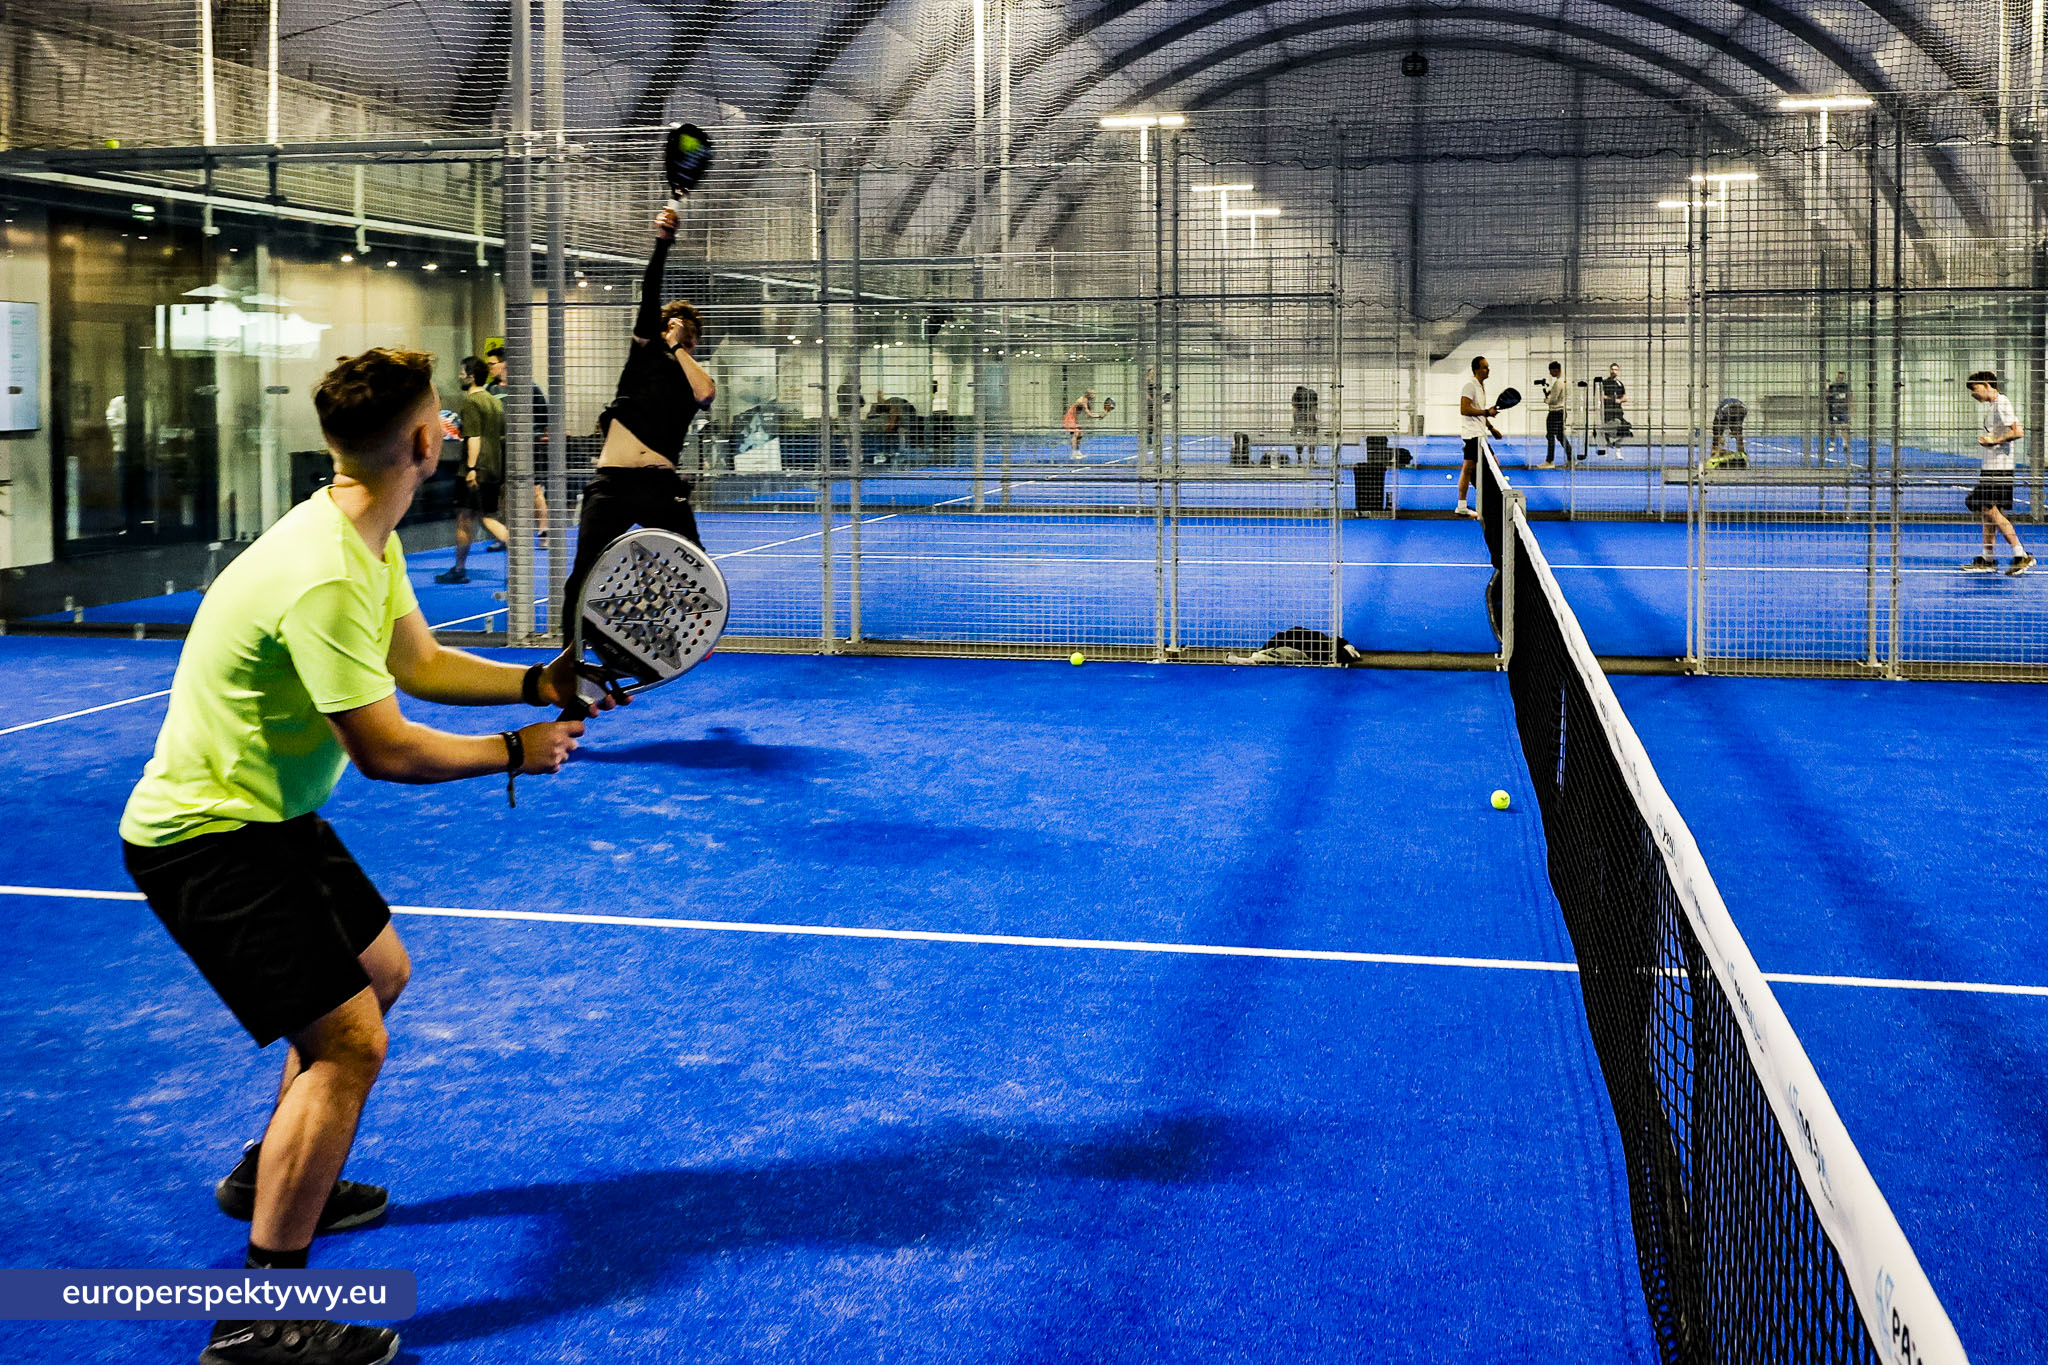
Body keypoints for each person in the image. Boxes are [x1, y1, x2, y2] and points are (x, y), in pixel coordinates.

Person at [119, 349, 609, 1365]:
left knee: (380, 973)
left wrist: (533, 686)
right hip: (207, 837)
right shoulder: (325, 572)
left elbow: (417, 663)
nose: (451, 435)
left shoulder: (358, 533)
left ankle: (275, 1172)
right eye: (445, 423)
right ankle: (260, 1320)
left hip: (269, 816)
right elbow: (385, 752)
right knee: (350, 1043)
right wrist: (515, 753)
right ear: (428, 443)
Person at [562, 205, 717, 615]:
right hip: (611, 485)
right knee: (579, 579)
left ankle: (684, 639)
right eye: (672, 326)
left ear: (694, 341)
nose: (678, 332)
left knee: (696, 568)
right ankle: (567, 667)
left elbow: (706, 394)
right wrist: (662, 244)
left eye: (688, 332)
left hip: (660, 489)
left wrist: (678, 346)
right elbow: (650, 292)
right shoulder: (643, 353)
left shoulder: (690, 372)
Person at [433, 357, 508, 586]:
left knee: (466, 519)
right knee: (487, 516)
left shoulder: (471, 402)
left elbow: (473, 437)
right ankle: (519, 563)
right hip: (494, 468)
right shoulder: (494, 402)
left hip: (475, 470)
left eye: (462, 372)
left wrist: (472, 468)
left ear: (471, 375)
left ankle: (459, 570)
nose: (459, 376)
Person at [1962, 370, 2034, 575]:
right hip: (1991, 467)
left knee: (1991, 511)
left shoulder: (2002, 403)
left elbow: (2018, 431)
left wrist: (1995, 441)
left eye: (1975, 390)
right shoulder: (1994, 406)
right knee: (1987, 512)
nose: (1973, 395)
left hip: (1999, 469)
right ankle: (1988, 558)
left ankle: (2021, 555)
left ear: (1987, 385)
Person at [485, 344, 551, 538]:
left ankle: (544, 531)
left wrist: (536, 436)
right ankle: (506, 535)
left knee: (534, 489)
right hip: (503, 449)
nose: (490, 368)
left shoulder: (528, 387)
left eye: (493, 364)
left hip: (529, 448)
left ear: (504, 364)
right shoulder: (491, 389)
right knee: (504, 491)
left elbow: (544, 417)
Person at [1456, 355, 1500, 519]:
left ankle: (1463, 505)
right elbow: (1464, 409)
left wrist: (1491, 427)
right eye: (1484, 367)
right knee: (1487, 465)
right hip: (1473, 435)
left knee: (1469, 469)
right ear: (1476, 369)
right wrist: (1486, 412)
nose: (1487, 370)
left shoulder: (1480, 387)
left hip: (1479, 434)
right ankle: (1470, 504)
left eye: (1488, 367)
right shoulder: (1470, 386)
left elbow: (1479, 411)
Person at [1540, 361, 1574, 466]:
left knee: (1550, 436)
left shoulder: (1558, 383)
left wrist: (1546, 400)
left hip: (1555, 412)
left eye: (1551, 371)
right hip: (1562, 411)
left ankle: (1549, 461)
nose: (1550, 374)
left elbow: (1553, 400)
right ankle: (1571, 459)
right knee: (1560, 436)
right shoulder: (1566, 381)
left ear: (1556, 370)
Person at [1708, 396, 1749, 469]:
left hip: (1728, 411)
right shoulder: (1739, 410)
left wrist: (1719, 436)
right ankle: (1742, 453)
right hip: (1739, 409)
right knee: (1738, 433)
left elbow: (1717, 431)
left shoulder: (1721, 412)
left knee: (1717, 434)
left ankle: (1714, 454)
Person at [1063, 389, 1105, 459]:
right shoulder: (1083, 401)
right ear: (1088, 395)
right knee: (1076, 434)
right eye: (1092, 394)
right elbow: (1089, 414)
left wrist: (1099, 416)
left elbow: (1089, 414)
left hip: (1073, 418)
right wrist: (1099, 416)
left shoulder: (1086, 401)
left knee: (1080, 434)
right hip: (1069, 418)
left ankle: (1077, 452)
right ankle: (1074, 453)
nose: (1094, 396)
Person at [1599, 363, 1628, 455]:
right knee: (1606, 430)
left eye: (1615, 369)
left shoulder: (1620, 384)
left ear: (1618, 371)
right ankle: (1606, 450)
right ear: (1610, 370)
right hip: (1608, 411)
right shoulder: (1605, 382)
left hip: (1618, 412)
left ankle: (1617, 449)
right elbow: (1601, 396)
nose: (1613, 371)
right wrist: (1612, 400)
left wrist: (1619, 400)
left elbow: (1625, 398)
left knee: (1625, 429)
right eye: (1612, 369)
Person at [1824, 369, 1851, 463]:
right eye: (1839, 373)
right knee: (1832, 427)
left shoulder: (1845, 386)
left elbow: (1850, 397)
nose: (1840, 376)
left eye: (1842, 374)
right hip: (1833, 410)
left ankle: (1845, 444)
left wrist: (1850, 407)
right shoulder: (1832, 386)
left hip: (1843, 410)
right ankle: (1832, 443)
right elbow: (1827, 396)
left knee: (1844, 427)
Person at [1290, 384, 1320, 464]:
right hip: (1310, 421)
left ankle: (1299, 458)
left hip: (1299, 422)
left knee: (1299, 439)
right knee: (1312, 439)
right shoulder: (1312, 395)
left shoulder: (1296, 397)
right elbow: (1315, 409)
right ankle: (1311, 458)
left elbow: (1294, 410)